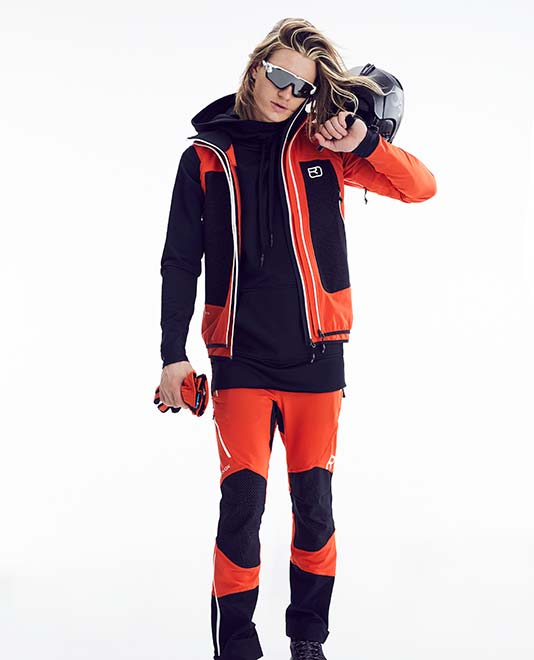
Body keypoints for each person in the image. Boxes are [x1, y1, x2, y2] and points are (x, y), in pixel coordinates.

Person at [157, 17, 436, 660]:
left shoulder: (323, 148)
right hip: (240, 362)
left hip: (317, 360)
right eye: (280, 75)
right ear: (257, 66)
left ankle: (308, 640)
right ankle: (236, 648)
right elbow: (179, 261)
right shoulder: (205, 158)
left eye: (303, 87)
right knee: (242, 509)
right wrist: (173, 356)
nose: (287, 93)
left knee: (314, 508)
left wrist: (365, 141)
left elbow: (420, 187)